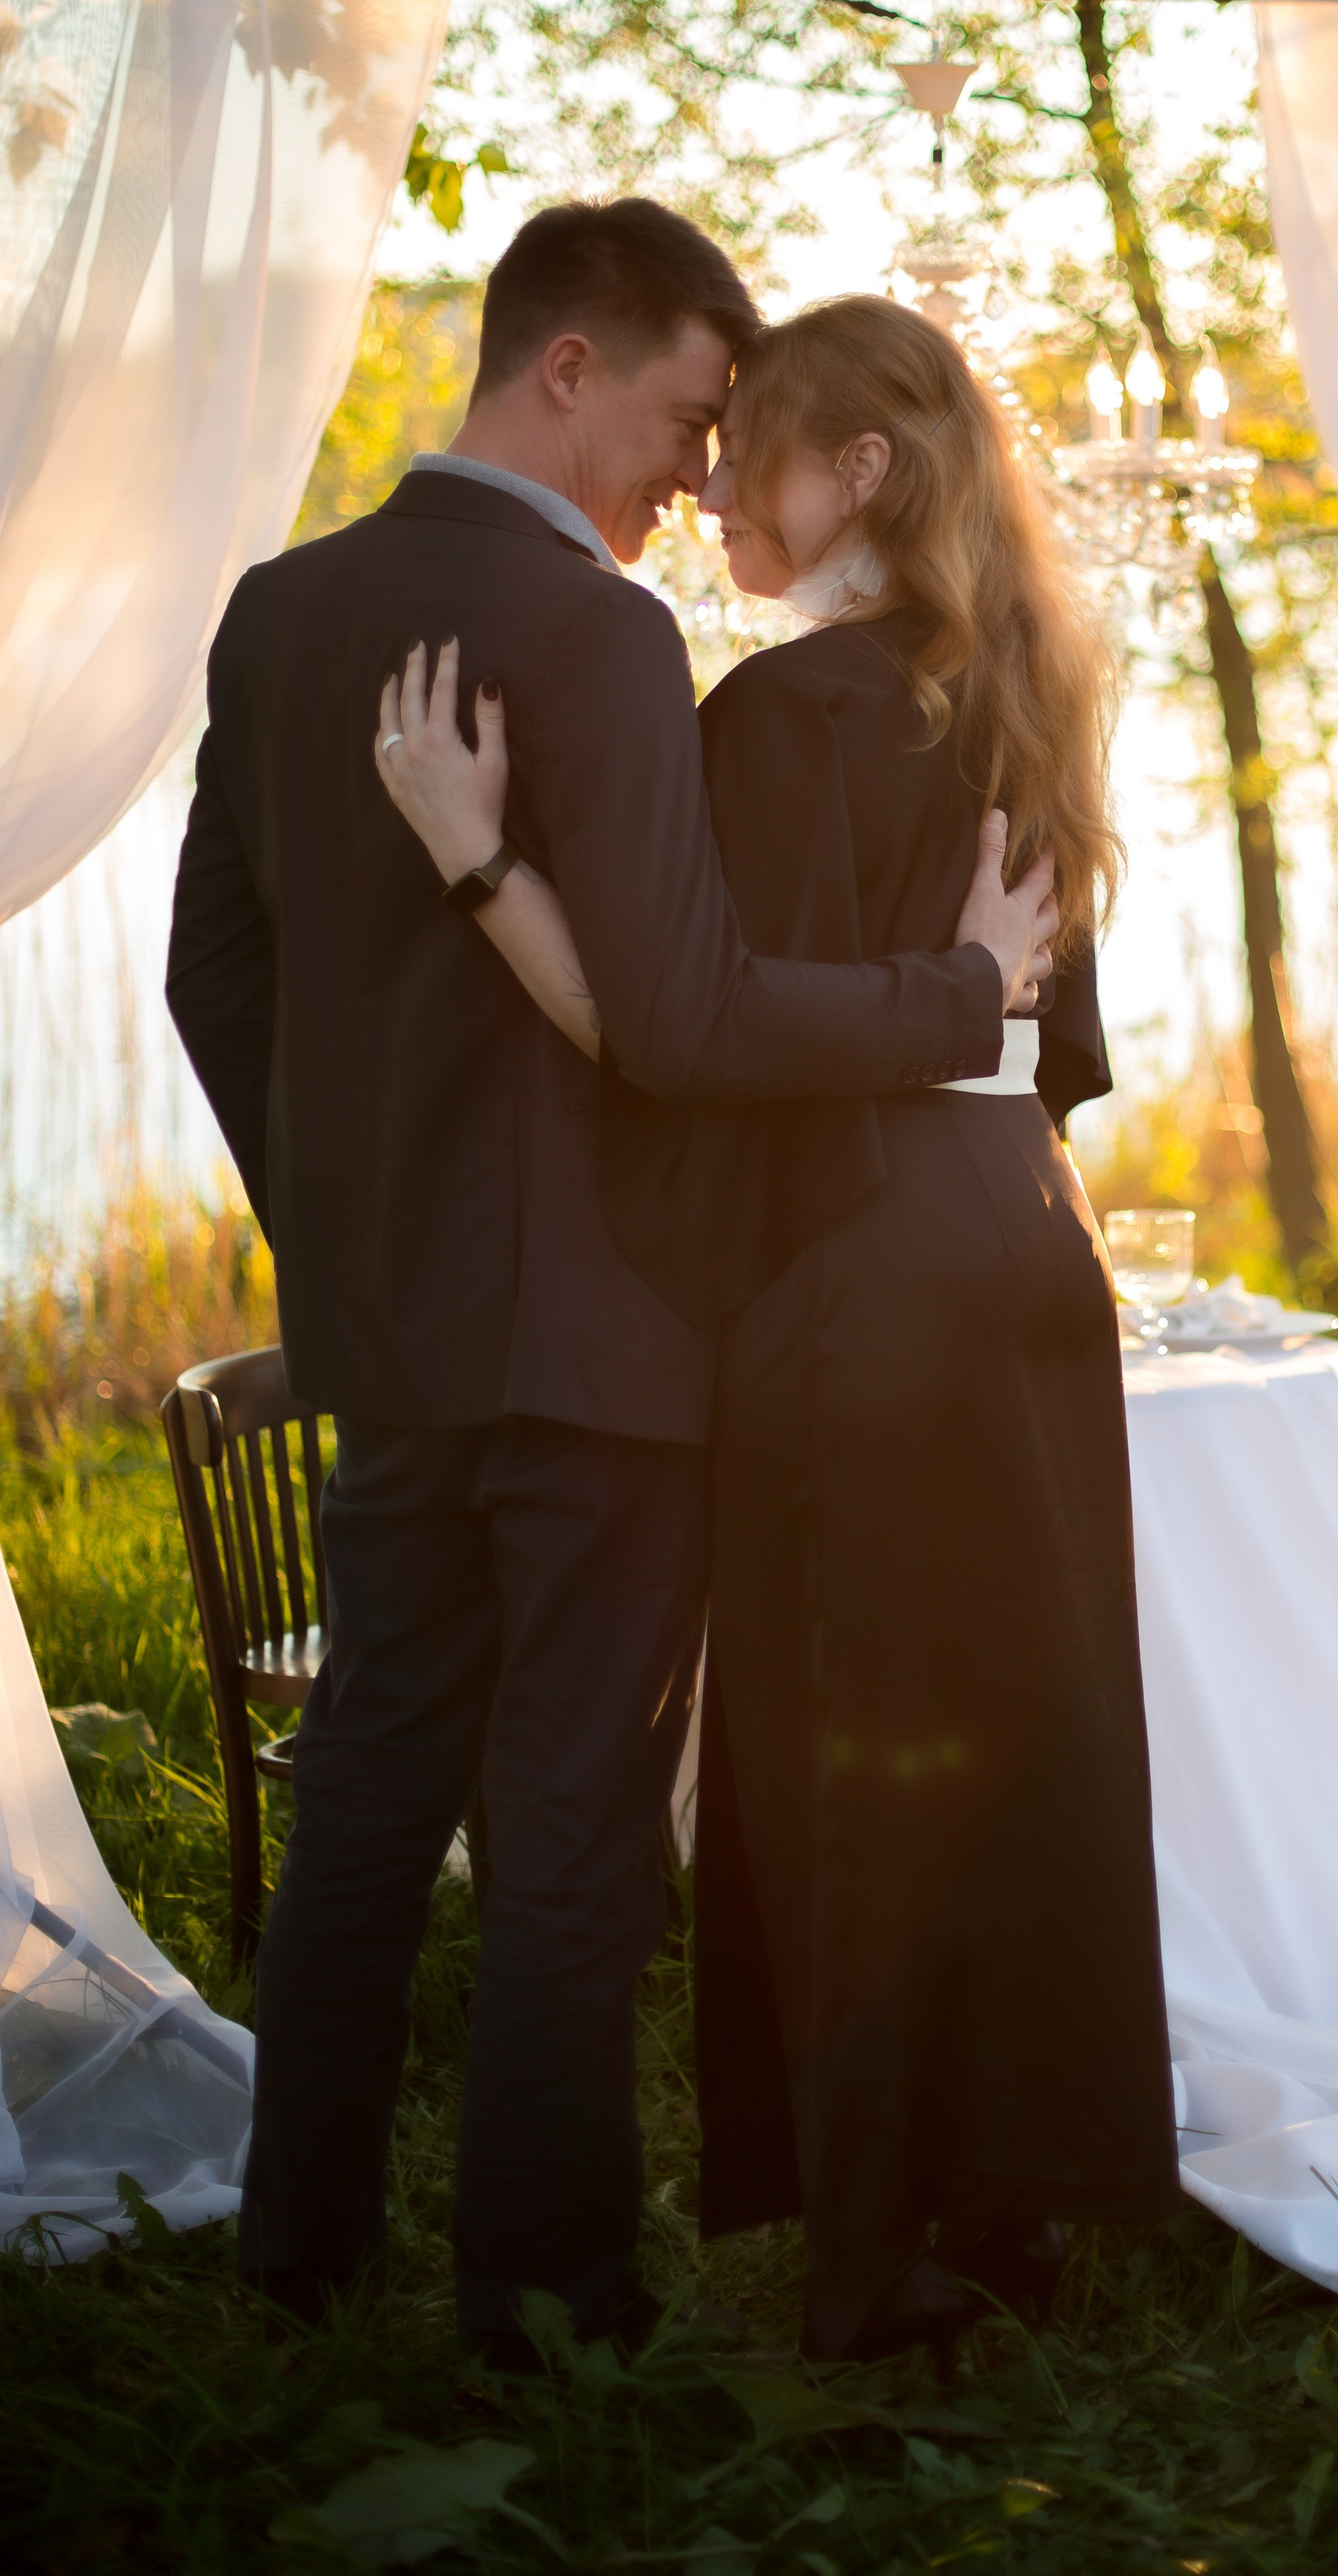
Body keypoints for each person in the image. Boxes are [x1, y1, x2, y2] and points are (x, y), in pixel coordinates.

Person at [165, 202, 1057, 2367]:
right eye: (679, 415)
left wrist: (347, 1227)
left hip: (385, 1335)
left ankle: (295, 2262)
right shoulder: (595, 641)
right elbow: (680, 1015)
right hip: (608, 1339)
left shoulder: (280, 614)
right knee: (565, 1823)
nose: (691, 472)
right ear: (567, 363)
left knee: (377, 1788)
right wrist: (961, 996)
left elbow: (214, 977)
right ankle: (542, 2300)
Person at [375, 293, 1179, 2368]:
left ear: (865, 475)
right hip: (1022, 1246)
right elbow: (1054, 1047)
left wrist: (477, 865)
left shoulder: (767, 717)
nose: (717, 480)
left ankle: (876, 2261)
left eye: (761, 447)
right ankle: (1025, 2213)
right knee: (1024, 1740)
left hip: (861, 1266)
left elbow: (682, 1039)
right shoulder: (1019, 700)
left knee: (845, 1759)